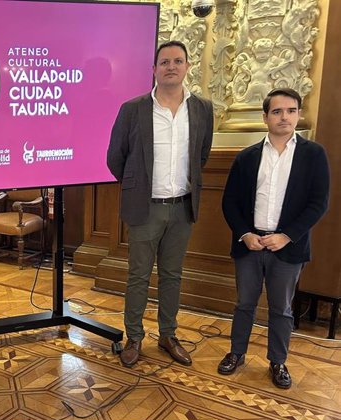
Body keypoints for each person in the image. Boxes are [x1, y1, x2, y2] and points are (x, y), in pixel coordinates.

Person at [107, 41, 214, 368]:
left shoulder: (202, 109)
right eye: (164, 61)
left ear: (187, 67)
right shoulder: (133, 109)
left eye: (178, 61)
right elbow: (115, 158)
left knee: (172, 275)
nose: (171, 66)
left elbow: (202, 155)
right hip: (145, 207)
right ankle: (134, 337)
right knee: (138, 275)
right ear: (154, 69)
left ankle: (168, 334)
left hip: (182, 207)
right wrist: (137, 187)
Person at [219, 88, 329, 388]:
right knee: (244, 304)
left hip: (287, 247)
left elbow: (318, 203)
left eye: (291, 111)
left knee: (281, 308)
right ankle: (236, 353)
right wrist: (245, 234)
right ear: (265, 116)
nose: (285, 117)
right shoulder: (247, 157)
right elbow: (229, 202)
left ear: (298, 114)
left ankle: (278, 361)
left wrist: (287, 236)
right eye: (278, 111)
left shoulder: (313, 154)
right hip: (250, 245)